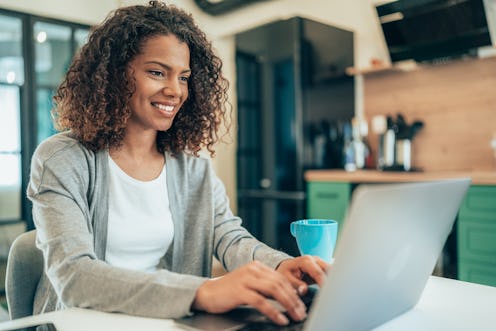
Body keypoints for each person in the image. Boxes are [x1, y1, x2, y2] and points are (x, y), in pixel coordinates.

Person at [27, 1, 328, 326]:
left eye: (183, 77)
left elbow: (229, 237)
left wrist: (280, 266)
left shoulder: (192, 167)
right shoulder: (62, 159)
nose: (174, 91)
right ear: (114, 75)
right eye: (157, 72)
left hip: (166, 320)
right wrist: (201, 292)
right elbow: (74, 277)